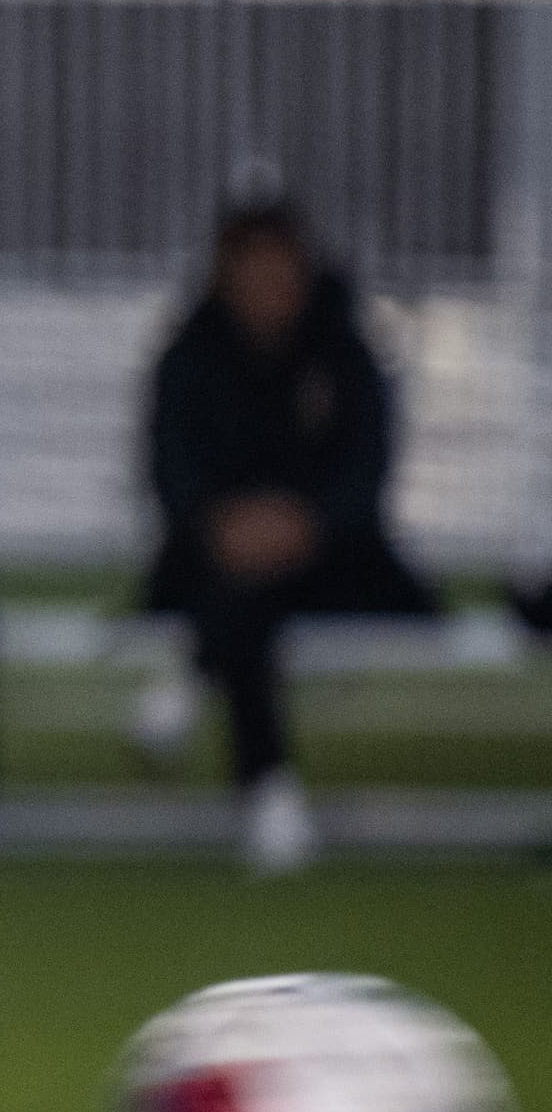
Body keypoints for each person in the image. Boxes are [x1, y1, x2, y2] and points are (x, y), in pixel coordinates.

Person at [139, 194, 436, 874]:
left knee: (244, 597)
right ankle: (269, 787)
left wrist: (307, 524)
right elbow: (169, 471)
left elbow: (367, 471)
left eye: (280, 269)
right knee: (244, 595)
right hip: (219, 563)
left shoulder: (346, 354)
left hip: (333, 563)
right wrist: (223, 525)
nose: (268, 287)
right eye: (252, 270)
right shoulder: (188, 356)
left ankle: (199, 679)